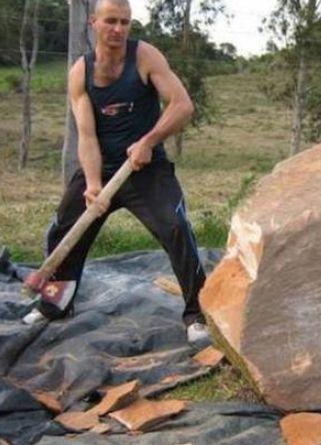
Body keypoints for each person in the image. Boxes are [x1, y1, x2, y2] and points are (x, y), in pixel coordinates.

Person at [22, 0, 209, 344]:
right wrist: (93, 185)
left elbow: (182, 105)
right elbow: (88, 135)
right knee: (62, 231)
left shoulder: (144, 57)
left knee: (176, 227)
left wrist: (148, 141)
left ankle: (197, 314)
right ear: (93, 23)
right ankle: (56, 305)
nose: (118, 29)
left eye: (125, 22)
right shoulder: (81, 72)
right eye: (111, 21)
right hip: (101, 167)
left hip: (146, 169)